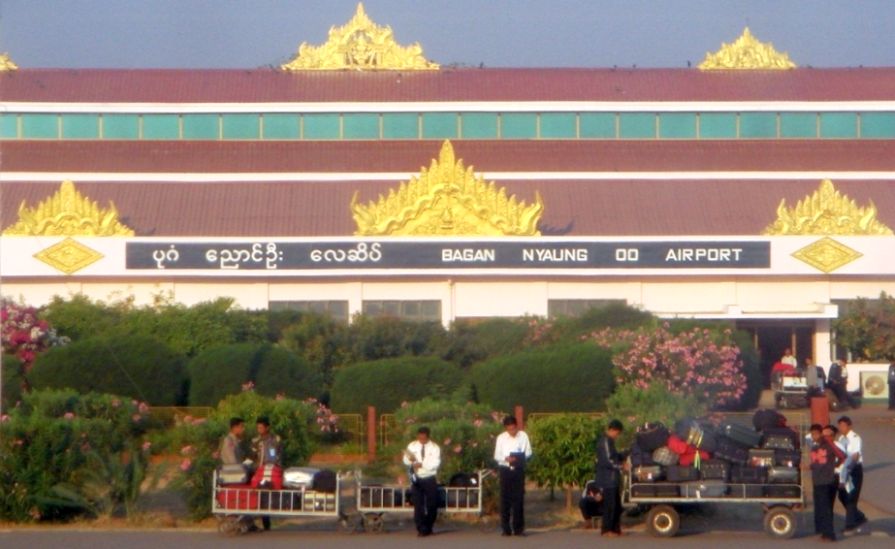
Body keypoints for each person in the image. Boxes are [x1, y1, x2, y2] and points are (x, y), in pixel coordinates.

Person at [493, 416, 532, 537]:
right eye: (509, 429)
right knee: (505, 500)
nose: (512, 431)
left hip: (518, 470)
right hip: (505, 470)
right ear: (506, 428)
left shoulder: (523, 436)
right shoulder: (501, 438)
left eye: (514, 429)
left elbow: (529, 452)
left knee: (518, 499)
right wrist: (506, 458)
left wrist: (520, 457)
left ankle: (518, 528)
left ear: (517, 426)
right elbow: (496, 455)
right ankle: (506, 529)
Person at [402, 426, 441, 537]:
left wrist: (422, 464)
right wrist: (409, 460)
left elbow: (435, 464)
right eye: (420, 438)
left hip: (429, 477)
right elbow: (405, 460)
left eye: (424, 438)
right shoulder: (412, 446)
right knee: (418, 504)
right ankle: (421, 528)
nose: (421, 440)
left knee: (432, 504)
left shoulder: (435, 448)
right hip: (416, 478)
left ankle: (429, 526)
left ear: (428, 437)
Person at [809, 424, 845, 541]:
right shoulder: (814, 447)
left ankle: (830, 534)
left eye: (816, 433)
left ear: (820, 433)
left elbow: (842, 456)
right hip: (816, 480)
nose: (814, 436)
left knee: (826, 508)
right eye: (812, 434)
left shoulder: (829, 445)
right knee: (819, 508)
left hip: (827, 480)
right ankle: (823, 532)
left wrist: (833, 466)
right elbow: (816, 463)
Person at [595, 419, 628, 537]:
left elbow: (614, 456)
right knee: (610, 506)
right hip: (607, 479)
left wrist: (625, 453)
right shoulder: (604, 441)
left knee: (617, 506)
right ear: (612, 430)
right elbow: (608, 461)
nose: (617, 436)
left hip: (613, 479)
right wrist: (621, 466)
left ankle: (615, 529)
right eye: (617, 433)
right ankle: (606, 530)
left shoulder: (610, 442)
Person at [836, 416, 868, 532]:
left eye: (843, 425)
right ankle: (858, 516)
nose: (841, 428)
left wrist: (847, 468)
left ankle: (850, 524)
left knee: (851, 497)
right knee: (842, 495)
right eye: (839, 425)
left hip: (853, 469)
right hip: (843, 469)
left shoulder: (855, 438)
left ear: (849, 426)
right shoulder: (840, 438)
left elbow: (855, 456)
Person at [251, 416, 281, 531]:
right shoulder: (255, 441)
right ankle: (259, 521)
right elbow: (253, 456)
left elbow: (274, 456)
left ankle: (266, 523)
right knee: (258, 495)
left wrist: (270, 466)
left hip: (270, 472)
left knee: (267, 495)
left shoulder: (275, 440)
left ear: (267, 427)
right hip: (258, 472)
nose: (259, 429)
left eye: (261, 427)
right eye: (258, 427)